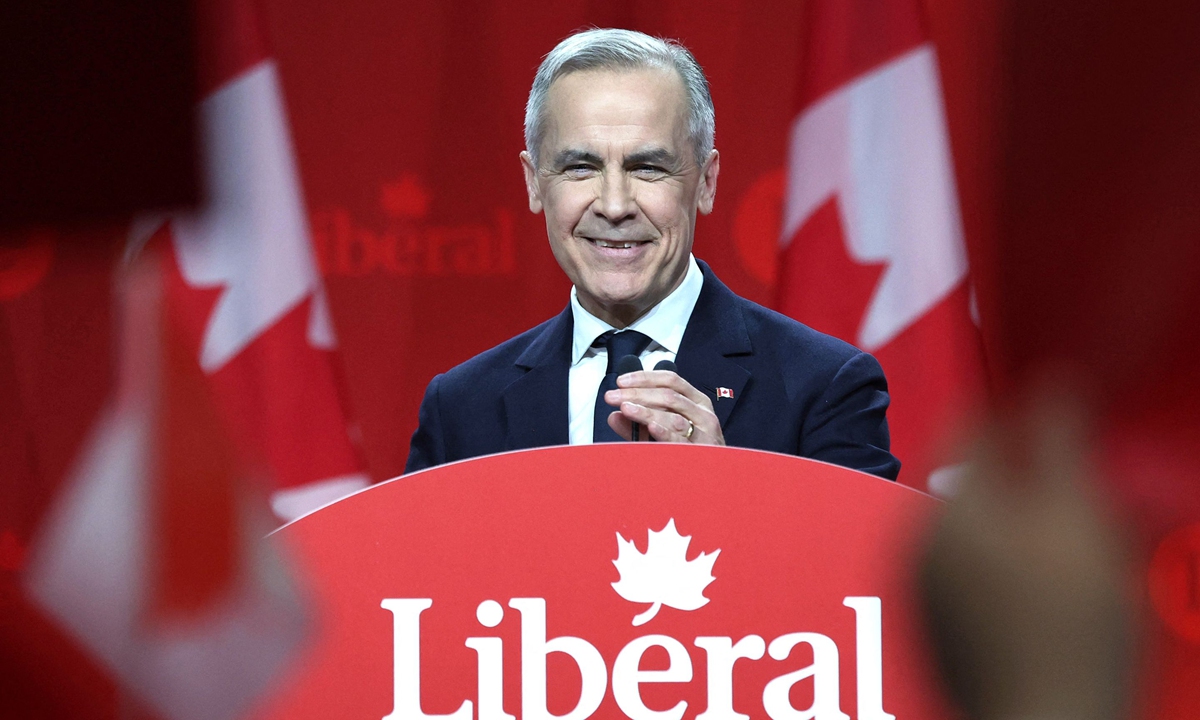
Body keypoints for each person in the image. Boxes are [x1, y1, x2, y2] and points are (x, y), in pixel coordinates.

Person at [405, 28, 899, 479]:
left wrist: (734, 492)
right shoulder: (461, 408)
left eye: (648, 168)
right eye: (580, 167)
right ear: (535, 183)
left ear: (705, 182)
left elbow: (855, 575)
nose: (615, 205)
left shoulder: (826, 388)